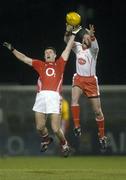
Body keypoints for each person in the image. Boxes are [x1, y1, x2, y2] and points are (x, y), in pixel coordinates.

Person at [3, 25, 81, 157]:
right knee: (39, 127)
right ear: (44, 56)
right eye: (46, 53)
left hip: (54, 97)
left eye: (51, 52)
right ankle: (46, 138)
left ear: (55, 55)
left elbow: (68, 49)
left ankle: (64, 144)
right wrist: (13, 49)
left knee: (56, 128)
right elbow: (24, 58)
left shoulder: (60, 64)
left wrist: (73, 34)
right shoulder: (40, 65)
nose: (48, 53)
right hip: (41, 97)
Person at [64, 24, 107, 151]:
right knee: (74, 100)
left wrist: (93, 36)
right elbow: (67, 41)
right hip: (79, 78)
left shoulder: (94, 51)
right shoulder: (77, 47)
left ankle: (102, 136)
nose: (87, 38)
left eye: (89, 38)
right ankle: (77, 126)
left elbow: (95, 45)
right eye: (86, 36)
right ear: (82, 38)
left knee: (98, 112)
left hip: (91, 81)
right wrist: (68, 32)